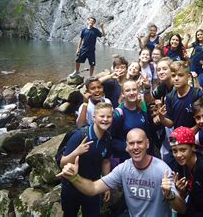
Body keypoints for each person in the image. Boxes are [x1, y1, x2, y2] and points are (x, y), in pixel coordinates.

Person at [57, 128, 186, 217]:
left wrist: (169, 195)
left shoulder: (162, 170)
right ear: (126, 147)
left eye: (139, 142)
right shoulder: (124, 169)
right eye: (131, 144)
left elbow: (182, 209)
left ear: (147, 144)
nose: (135, 147)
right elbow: (93, 188)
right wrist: (74, 177)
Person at [59, 102, 113, 217]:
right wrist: (76, 152)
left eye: (108, 116)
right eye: (102, 116)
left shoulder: (107, 138)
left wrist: (106, 185)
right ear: (94, 118)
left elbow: (106, 161)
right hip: (72, 185)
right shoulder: (80, 136)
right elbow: (62, 163)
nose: (105, 119)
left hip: (92, 185)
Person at [169, 126, 203, 217]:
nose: (178, 155)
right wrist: (181, 192)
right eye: (174, 151)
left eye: (183, 150)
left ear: (193, 147)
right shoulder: (178, 166)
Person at [110, 80, 157, 162]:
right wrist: (128, 147)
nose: (132, 93)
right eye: (128, 90)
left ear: (138, 91)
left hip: (146, 157)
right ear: (123, 94)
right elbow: (111, 139)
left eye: (134, 89)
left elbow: (149, 132)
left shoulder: (143, 108)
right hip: (128, 159)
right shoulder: (118, 114)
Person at [158, 61, 203, 129]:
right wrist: (162, 118)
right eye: (173, 75)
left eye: (180, 75)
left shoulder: (197, 94)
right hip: (179, 136)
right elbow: (171, 123)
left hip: (197, 135)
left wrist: (191, 131)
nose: (176, 78)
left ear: (188, 77)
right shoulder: (169, 97)